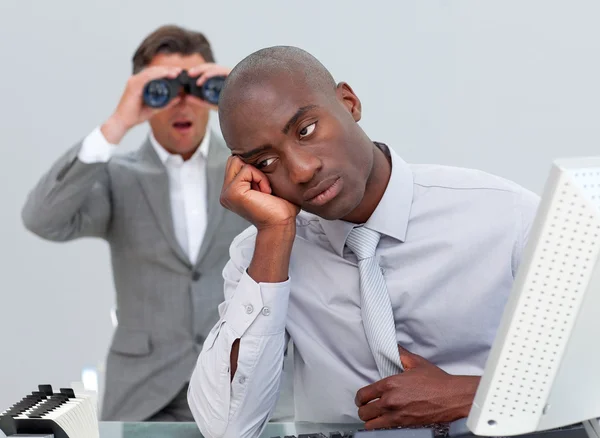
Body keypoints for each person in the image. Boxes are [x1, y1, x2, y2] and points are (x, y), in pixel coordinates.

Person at [186, 45, 541, 438]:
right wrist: (273, 237)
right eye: (267, 162)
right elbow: (226, 427)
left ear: (349, 103)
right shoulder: (262, 255)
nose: (302, 171)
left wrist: (477, 396)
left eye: (306, 130)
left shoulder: (505, 215)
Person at [21, 25, 251, 422]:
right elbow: (42, 218)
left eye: (195, 87)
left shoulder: (247, 164)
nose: (182, 104)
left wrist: (243, 100)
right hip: (146, 396)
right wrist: (117, 123)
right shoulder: (116, 176)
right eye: (164, 88)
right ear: (141, 91)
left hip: (241, 385)